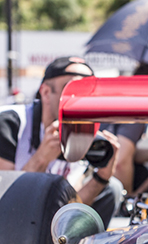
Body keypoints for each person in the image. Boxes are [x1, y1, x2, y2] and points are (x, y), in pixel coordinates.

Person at [0, 56, 120, 228]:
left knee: (111, 188)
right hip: (12, 227)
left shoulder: (84, 130)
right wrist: (41, 159)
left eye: (89, 91)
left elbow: (70, 207)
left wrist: (101, 178)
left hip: (49, 223)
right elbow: (5, 201)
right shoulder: (9, 123)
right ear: (46, 92)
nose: (81, 99)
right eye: (73, 89)